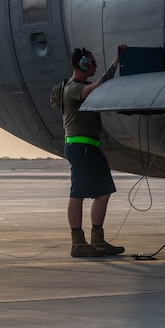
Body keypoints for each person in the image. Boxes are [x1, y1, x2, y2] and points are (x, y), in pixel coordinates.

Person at [62, 44, 127, 257]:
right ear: (81, 64)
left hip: (91, 147)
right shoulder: (73, 88)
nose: (94, 65)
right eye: (91, 62)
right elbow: (96, 87)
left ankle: (97, 239)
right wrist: (115, 63)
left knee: (104, 190)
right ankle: (77, 242)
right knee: (78, 193)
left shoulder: (83, 86)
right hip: (80, 147)